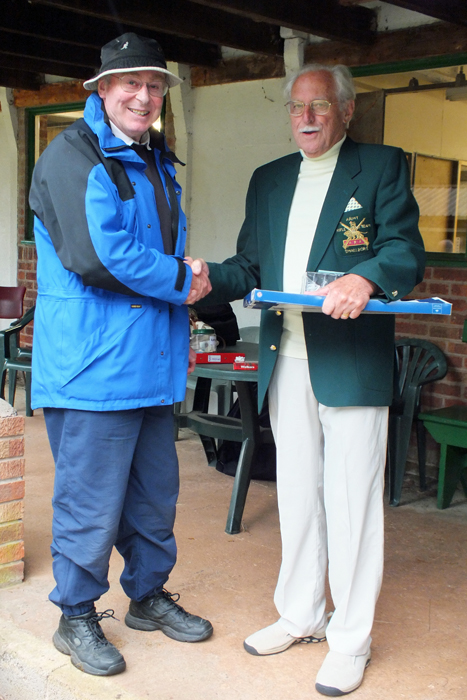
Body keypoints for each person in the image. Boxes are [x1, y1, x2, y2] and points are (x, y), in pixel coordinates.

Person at [193, 64, 425, 695]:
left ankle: (351, 639)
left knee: (351, 504)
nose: (308, 117)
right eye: (298, 107)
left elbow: (406, 247)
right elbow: (249, 264)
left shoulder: (378, 167)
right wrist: (210, 276)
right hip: (285, 358)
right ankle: (301, 614)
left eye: (321, 106)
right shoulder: (268, 180)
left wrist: (368, 276)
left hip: (350, 360)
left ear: (345, 111)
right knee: (297, 495)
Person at [28, 32, 213, 677]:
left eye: (154, 85)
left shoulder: (154, 159)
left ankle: (147, 596)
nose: (143, 95)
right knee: (89, 502)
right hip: (93, 369)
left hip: (152, 365)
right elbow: (96, 256)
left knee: (153, 498)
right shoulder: (70, 157)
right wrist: (182, 277)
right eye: (129, 83)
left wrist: (182, 277)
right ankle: (75, 616)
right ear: (102, 89)